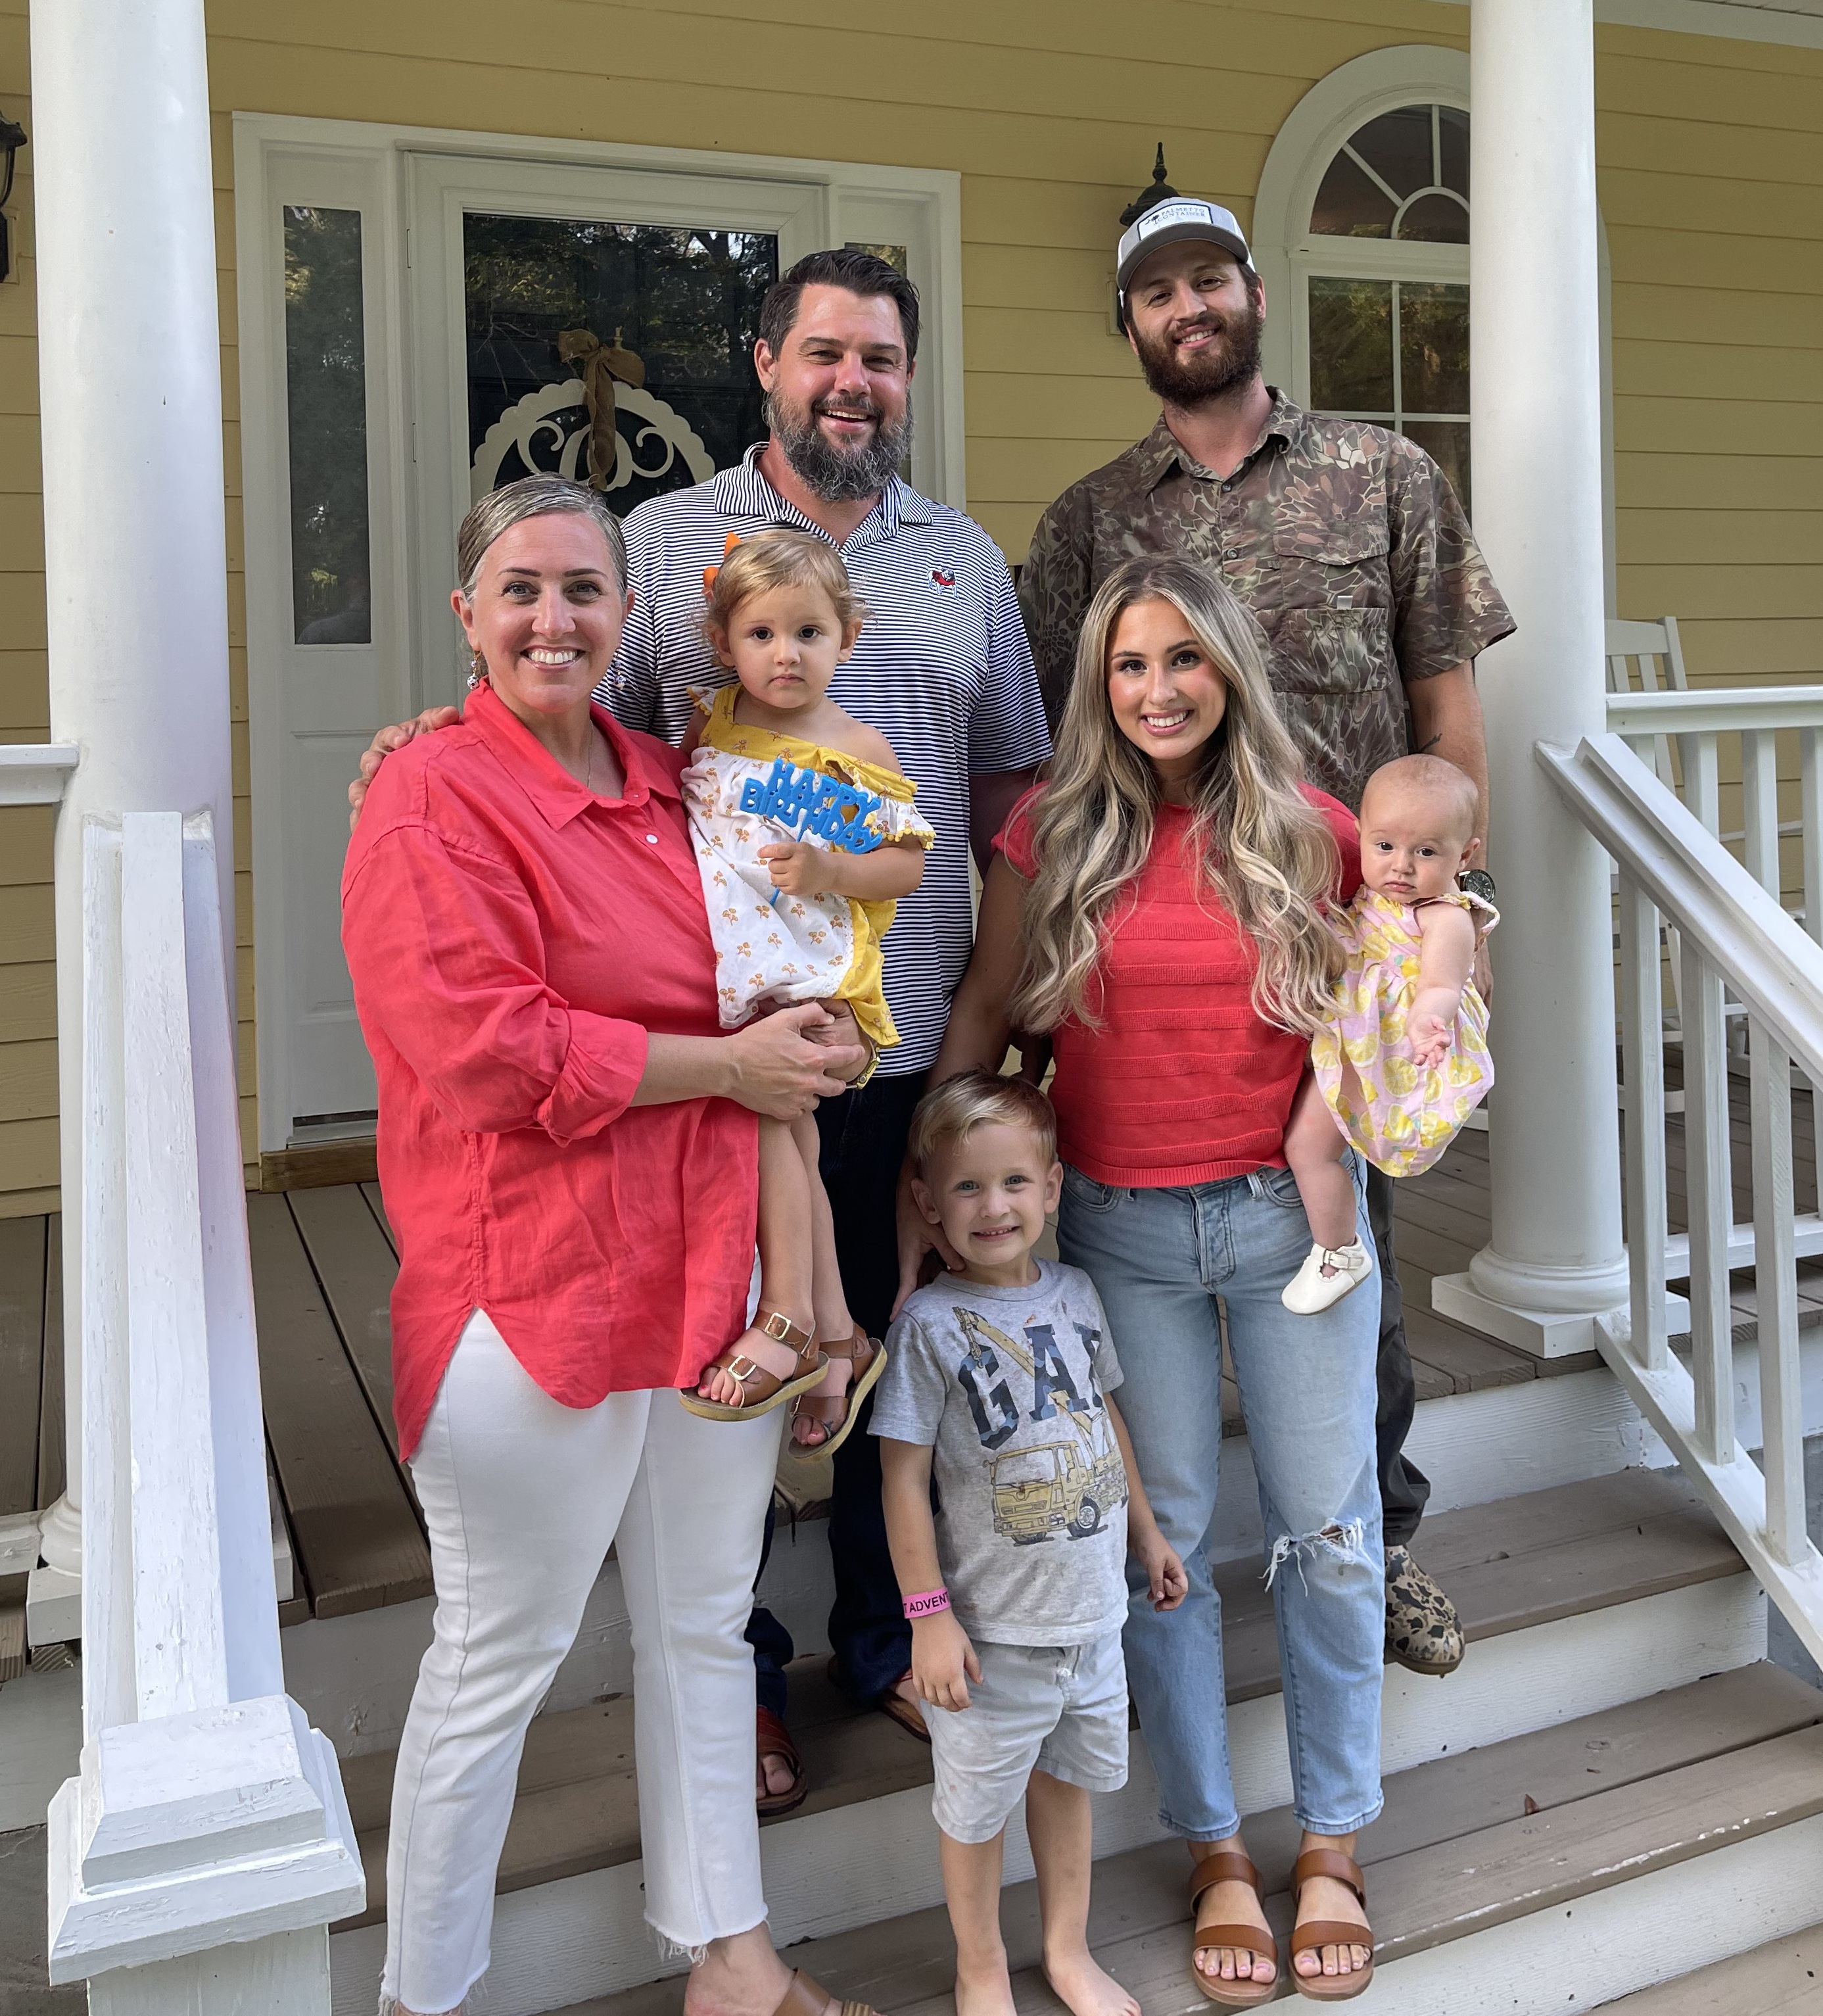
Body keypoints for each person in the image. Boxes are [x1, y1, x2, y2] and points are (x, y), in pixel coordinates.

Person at [350, 248, 1051, 1808]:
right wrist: (422, 731)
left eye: (878, 356)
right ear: (766, 364)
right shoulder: (666, 542)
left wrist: (988, 1029)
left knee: (884, 1341)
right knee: (729, 1351)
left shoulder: (963, 565)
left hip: (902, 1022)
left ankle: (884, 1641)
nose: (849, 381)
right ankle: (732, 1683)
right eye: (822, 352)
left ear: (908, 378)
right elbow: (570, 696)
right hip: (721, 1033)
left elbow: (1007, 794)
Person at [341, 474, 876, 2016]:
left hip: (710, 1280)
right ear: (468, 616)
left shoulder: (687, 776)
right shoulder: (426, 798)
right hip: (534, 1293)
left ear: (627, 616)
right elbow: (481, 1048)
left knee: (706, 1625)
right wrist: (731, 1066)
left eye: (582, 589)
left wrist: (824, 1021)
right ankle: (425, 1996)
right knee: (496, 1662)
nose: (552, 618)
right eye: (520, 589)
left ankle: (735, 1957)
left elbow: (864, 862)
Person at [1016, 190, 1515, 1679]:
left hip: (1348, 950)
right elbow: (1056, 738)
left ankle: (1381, 1535)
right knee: (1160, 1279)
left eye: (1208, 279)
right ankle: (1172, 1550)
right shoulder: (1094, 520)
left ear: (1248, 292)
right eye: (1155, 292)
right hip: (1169, 969)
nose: (1188, 307)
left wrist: (1447, 915)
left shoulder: (1384, 475)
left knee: (1351, 1251)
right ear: (1130, 328)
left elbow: (1447, 705)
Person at [916, 554, 1384, 2002]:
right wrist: (914, 1203)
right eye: (1130, 665)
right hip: (1115, 1232)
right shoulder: (1047, 831)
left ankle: (1333, 1841)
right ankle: (1212, 1848)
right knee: (1163, 1540)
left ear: (1229, 669)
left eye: (1185, 660)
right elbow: (989, 1014)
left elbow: (1396, 1018)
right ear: (1098, 686)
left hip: (1287, 1223)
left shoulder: (1315, 829)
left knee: (1325, 1528)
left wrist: (1327, 1124)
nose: (1159, 690)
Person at [876, 1069, 1186, 2016]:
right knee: (973, 1813)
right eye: (967, 1186)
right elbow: (900, 1480)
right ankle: (978, 1966)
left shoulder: (1080, 1293)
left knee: (1069, 1783)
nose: (993, 1205)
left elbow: (1105, 1419)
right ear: (928, 1205)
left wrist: (1145, 1528)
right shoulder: (927, 1326)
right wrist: (927, 1620)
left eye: (1014, 1181)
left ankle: (1065, 1949)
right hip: (992, 1636)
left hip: (1090, 1621)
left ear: (1052, 1188)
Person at [681, 529, 932, 1442]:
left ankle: (788, 1315)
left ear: (848, 636)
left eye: (809, 633)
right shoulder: (711, 722)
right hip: (728, 964)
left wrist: (832, 868)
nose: (784, 655)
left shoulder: (851, 747)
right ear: (725, 642)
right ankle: (836, 1338)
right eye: (761, 635)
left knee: (768, 1123)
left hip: (803, 965)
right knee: (783, 1135)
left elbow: (905, 865)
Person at [1281, 755, 1497, 1315]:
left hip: (1395, 1046)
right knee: (1307, 1146)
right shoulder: (1368, 896)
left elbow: (1442, 984)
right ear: (1359, 834)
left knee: (1308, 1148)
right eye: (1384, 847)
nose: (1401, 866)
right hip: (1351, 1040)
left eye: (1425, 852)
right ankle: (1341, 1247)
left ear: (1464, 856)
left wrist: (1430, 1022)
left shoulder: (1442, 916)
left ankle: (1337, 1250)